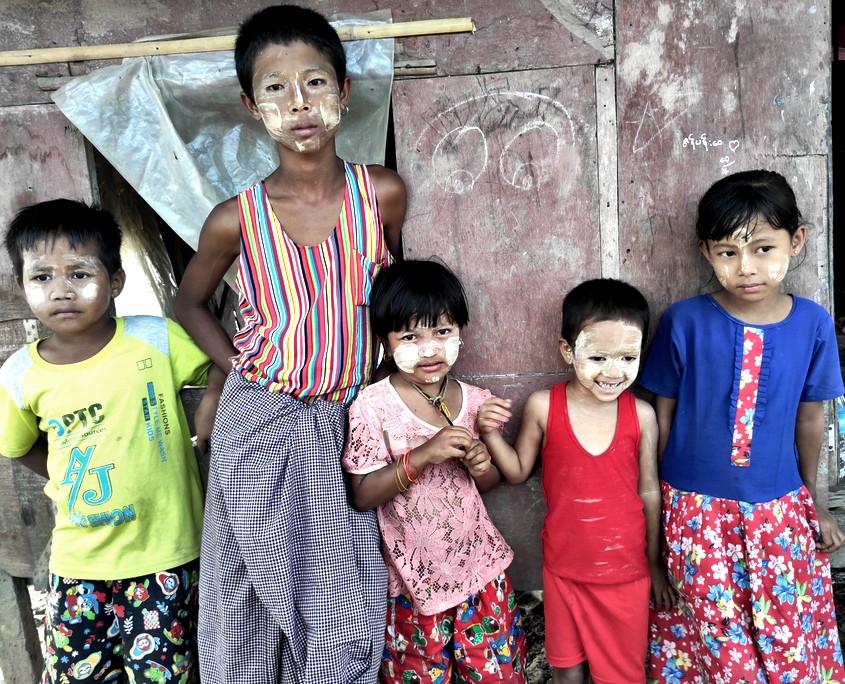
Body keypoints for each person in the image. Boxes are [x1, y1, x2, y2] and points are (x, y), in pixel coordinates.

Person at [172, 5, 406, 683]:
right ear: (250, 105)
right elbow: (188, 304)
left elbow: (402, 300)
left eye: (314, 82)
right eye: (275, 88)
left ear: (345, 92)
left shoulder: (381, 195)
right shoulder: (233, 220)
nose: (298, 104)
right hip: (259, 416)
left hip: (345, 419)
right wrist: (232, 371)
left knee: (343, 591)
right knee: (245, 582)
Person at [0, 199, 219, 684]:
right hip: (79, 560)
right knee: (81, 676)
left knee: (162, 675)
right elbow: (18, 446)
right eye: (41, 278)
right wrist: (66, 474)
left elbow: (223, 363)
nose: (61, 291)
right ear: (21, 286)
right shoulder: (19, 375)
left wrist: (210, 401)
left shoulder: (155, 340)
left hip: (166, 553)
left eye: (79, 274)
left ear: (115, 281)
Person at [643, 169, 845, 682]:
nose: (746, 267)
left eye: (762, 248)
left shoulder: (814, 323)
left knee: (787, 633)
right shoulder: (683, 320)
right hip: (695, 514)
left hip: (779, 510)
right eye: (727, 252)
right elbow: (661, 416)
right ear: (706, 252)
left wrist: (813, 501)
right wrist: (664, 505)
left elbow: (811, 417)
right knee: (714, 640)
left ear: (796, 241)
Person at [479, 278, 673, 684]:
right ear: (567, 350)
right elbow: (516, 472)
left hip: (627, 574)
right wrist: (490, 434)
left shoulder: (641, 415)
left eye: (627, 357)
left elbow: (650, 490)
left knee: (622, 676)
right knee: (567, 671)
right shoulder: (544, 406)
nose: (613, 371)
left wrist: (655, 562)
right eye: (598, 357)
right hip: (564, 570)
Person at [342, 259, 527, 684]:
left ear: (460, 330)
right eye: (411, 336)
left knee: (497, 673)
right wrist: (422, 455)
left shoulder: (476, 401)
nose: (430, 349)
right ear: (385, 341)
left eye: (442, 332)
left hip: (480, 570)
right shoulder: (375, 406)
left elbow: (488, 484)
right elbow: (363, 493)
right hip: (413, 584)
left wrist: (482, 462)